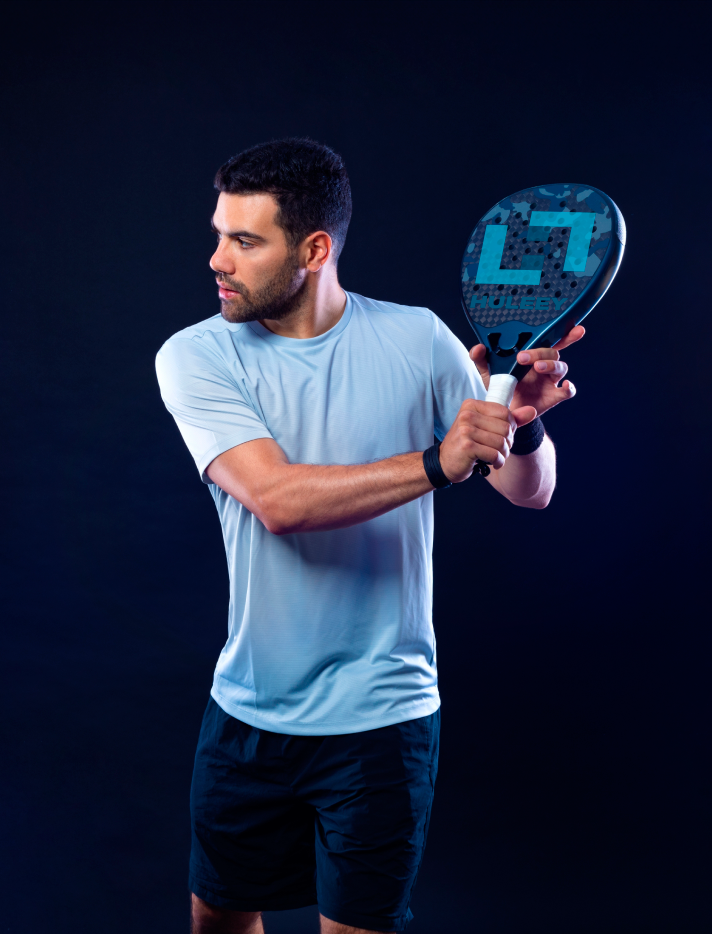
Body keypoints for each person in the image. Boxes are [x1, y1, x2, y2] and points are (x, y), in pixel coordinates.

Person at [156, 138, 582, 934]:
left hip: (384, 720)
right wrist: (438, 461)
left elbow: (530, 490)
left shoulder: (417, 339)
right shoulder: (196, 355)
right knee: (218, 923)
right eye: (219, 234)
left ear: (314, 250)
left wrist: (519, 426)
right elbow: (276, 500)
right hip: (250, 712)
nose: (218, 259)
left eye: (245, 241)